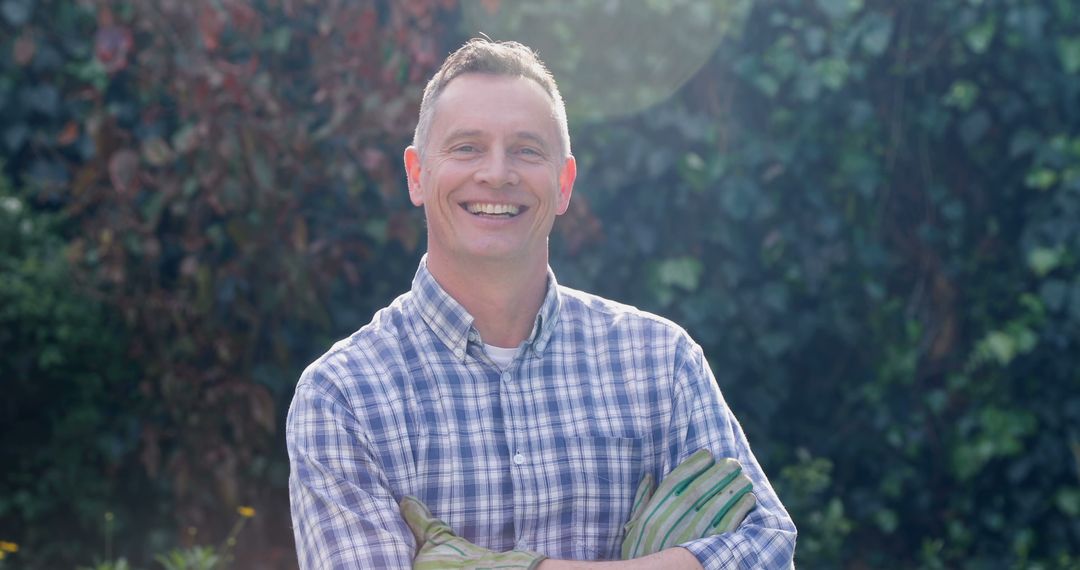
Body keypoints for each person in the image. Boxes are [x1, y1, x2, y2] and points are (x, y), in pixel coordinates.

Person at [287, 38, 797, 569]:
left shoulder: (660, 363)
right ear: (417, 174)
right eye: (467, 147)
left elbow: (768, 547)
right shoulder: (343, 396)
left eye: (527, 150)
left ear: (564, 183)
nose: (497, 173)